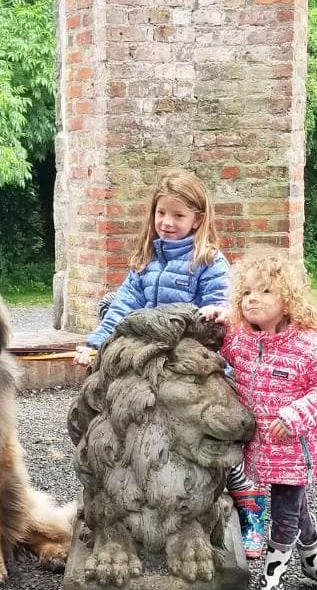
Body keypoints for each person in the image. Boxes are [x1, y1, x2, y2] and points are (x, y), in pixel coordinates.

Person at [72, 169, 267, 555]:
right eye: (162, 213)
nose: (168, 222)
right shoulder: (145, 260)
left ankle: (246, 503)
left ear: (198, 218)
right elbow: (122, 309)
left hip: (188, 355)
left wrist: (212, 315)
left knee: (216, 432)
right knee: (106, 415)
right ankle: (112, 500)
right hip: (146, 359)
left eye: (178, 215)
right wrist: (96, 344)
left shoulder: (208, 261)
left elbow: (220, 306)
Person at [205, 247, 317, 590]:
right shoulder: (241, 341)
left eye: (265, 291)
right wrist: (218, 318)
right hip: (262, 446)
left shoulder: (311, 347)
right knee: (298, 509)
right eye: (246, 292)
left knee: (286, 510)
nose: (253, 299)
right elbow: (217, 347)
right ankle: (315, 563)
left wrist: (293, 416)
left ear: (288, 300)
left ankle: (272, 576)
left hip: (296, 447)